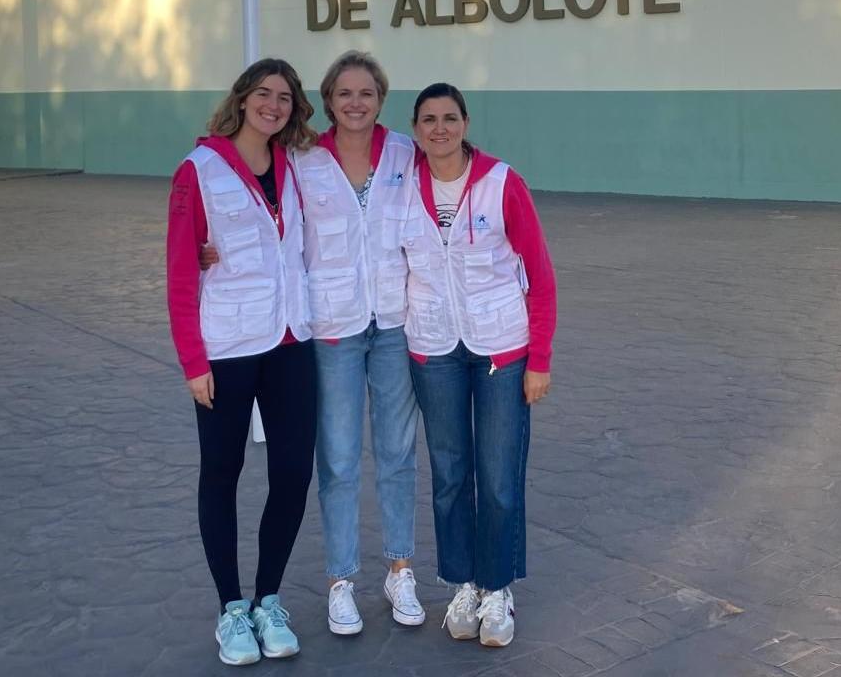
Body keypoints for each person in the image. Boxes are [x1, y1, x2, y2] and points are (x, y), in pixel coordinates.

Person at [200, 51, 425, 635]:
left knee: (399, 453)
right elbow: (257, 209)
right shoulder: (302, 158)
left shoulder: (405, 153)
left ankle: (401, 569)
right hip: (332, 328)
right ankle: (341, 580)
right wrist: (211, 250)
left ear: (381, 100)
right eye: (344, 93)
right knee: (340, 457)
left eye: (367, 94)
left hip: (395, 323)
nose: (356, 103)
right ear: (327, 101)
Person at [166, 58, 319, 666]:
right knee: (221, 472)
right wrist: (192, 361)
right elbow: (182, 270)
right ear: (242, 98)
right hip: (225, 348)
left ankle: (268, 599)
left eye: (284, 97)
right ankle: (231, 609)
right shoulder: (197, 170)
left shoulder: (299, 166)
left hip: (290, 343)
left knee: (291, 473)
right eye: (264, 94)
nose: (273, 105)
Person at [402, 82, 557, 648]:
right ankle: (462, 583)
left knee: (497, 477)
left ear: (465, 124)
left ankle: (497, 588)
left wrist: (538, 359)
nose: (438, 128)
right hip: (435, 350)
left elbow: (539, 275)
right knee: (449, 475)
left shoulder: (501, 183)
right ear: (416, 129)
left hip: (502, 352)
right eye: (427, 119)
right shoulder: (402, 186)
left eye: (448, 118)